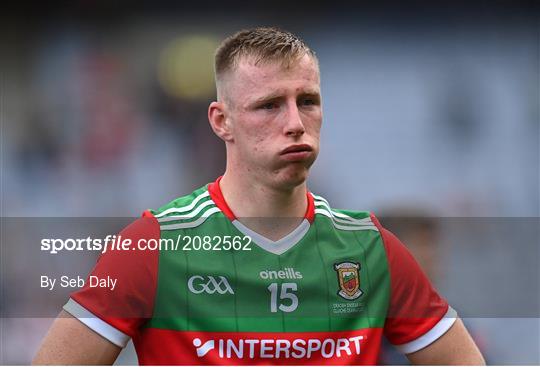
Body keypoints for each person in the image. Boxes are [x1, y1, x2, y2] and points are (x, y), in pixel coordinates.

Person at [33, 27, 485, 365]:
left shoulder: (371, 249)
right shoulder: (154, 245)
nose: (294, 122)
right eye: (269, 105)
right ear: (221, 121)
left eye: (307, 101)